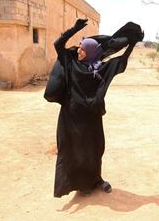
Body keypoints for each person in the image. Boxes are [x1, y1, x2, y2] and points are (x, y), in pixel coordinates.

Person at [46, 18, 143, 198]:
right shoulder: (70, 61)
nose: (79, 51)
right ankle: (79, 184)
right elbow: (58, 44)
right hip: (70, 117)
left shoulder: (100, 69)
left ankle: (96, 180)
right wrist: (73, 29)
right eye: (80, 47)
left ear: (92, 52)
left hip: (91, 117)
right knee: (73, 149)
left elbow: (120, 62)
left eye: (83, 49)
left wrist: (132, 43)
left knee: (94, 148)